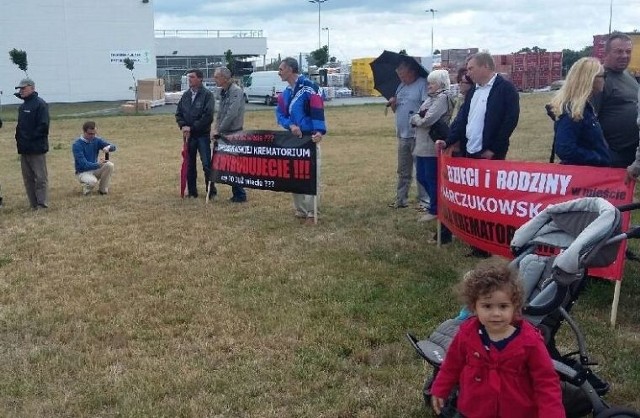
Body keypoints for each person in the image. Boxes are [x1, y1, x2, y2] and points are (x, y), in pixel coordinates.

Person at [430, 258, 565, 418]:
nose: (496, 313)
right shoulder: (467, 333)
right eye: (487, 306)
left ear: (515, 306)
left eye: (503, 306)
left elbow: (546, 381)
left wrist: (551, 413)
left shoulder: (530, 341)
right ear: (474, 307)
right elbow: (452, 364)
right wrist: (440, 388)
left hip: (517, 412)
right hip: (473, 410)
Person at [437, 52, 520, 257]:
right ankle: (476, 243)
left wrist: (493, 149)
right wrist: (447, 141)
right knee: (474, 201)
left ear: (485, 67)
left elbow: (509, 121)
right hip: (470, 152)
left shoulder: (505, 90)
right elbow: (463, 120)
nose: (469, 73)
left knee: (489, 201)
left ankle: (487, 246)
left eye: (472, 68)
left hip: (490, 156)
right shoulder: (474, 91)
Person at [276, 57, 326, 223]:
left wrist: (319, 131)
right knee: (294, 173)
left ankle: (312, 211)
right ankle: (300, 209)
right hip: (293, 139)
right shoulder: (285, 94)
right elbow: (280, 115)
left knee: (311, 174)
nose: (279, 73)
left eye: (281, 69)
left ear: (290, 69)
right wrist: (290, 125)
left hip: (309, 137)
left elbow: (318, 109)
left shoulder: (309, 88)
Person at [410, 69, 453, 224]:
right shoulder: (430, 98)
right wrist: (417, 118)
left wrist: (417, 119)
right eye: (429, 83)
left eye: (432, 83)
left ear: (440, 83)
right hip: (421, 143)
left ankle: (436, 208)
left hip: (431, 146)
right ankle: (436, 205)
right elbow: (417, 115)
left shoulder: (443, 97)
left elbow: (427, 119)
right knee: (421, 176)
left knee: (430, 177)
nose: (429, 86)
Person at [548, 57, 610, 167]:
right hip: (585, 175)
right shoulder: (572, 111)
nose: (605, 79)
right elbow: (564, 148)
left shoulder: (583, 108)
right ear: (590, 79)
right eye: (603, 76)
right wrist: (598, 158)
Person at [387, 59, 429, 211]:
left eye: (403, 75)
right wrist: (393, 103)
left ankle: (424, 200)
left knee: (421, 170)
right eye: (399, 76)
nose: (401, 79)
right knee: (403, 169)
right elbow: (396, 110)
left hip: (417, 135)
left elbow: (427, 107)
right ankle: (401, 199)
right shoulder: (401, 86)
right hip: (403, 134)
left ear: (412, 72)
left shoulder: (422, 84)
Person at [592, 32, 639, 168]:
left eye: (628, 51)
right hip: (615, 153)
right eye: (618, 51)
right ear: (606, 53)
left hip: (633, 151)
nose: (624, 55)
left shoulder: (628, 75)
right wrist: (606, 151)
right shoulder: (599, 79)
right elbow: (590, 119)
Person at [175, 69, 215, 199]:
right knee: (190, 164)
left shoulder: (207, 95)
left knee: (206, 164)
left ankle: (211, 191)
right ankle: (192, 192)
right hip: (188, 137)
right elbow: (178, 113)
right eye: (189, 77)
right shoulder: (185, 95)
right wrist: (183, 125)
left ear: (200, 79)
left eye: (192, 77)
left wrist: (192, 127)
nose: (189, 79)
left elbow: (207, 116)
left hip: (202, 135)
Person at [212, 66, 247, 203]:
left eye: (216, 77)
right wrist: (215, 128)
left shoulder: (236, 92)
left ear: (225, 78)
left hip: (234, 131)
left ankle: (240, 194)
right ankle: (236, 192)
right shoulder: (223, 92)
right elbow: (220, 113)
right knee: (228, 163)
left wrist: (219, 129)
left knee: (235, 163)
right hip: (224, 131)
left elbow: (231, 113)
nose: (215, 79)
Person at [14, 78, 50, 210]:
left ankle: (42, 203)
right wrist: (19, 140)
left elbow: (43, 126)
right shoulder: (22, 107)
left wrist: (30, 139)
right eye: (20, 89)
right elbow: (20, 126)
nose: (21, 91)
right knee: (28, 179)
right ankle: (33, 204)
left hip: (37, 148)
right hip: (24, 149)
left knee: (40, 177)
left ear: (32, 88)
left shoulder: (40, 104)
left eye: (24, 88)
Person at [72, 121, 117, 195]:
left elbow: (114, 147)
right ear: (84, 132)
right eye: (90, 134)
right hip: (82, 172)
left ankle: (103, 190)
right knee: (92, 181)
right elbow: (84, 164)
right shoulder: (77, 145)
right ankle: (86, 188)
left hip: (94, 169)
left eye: (94, 133)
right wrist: (98, 164)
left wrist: (108, 147)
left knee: (110, 165)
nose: (93, 136)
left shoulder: (96, 140)